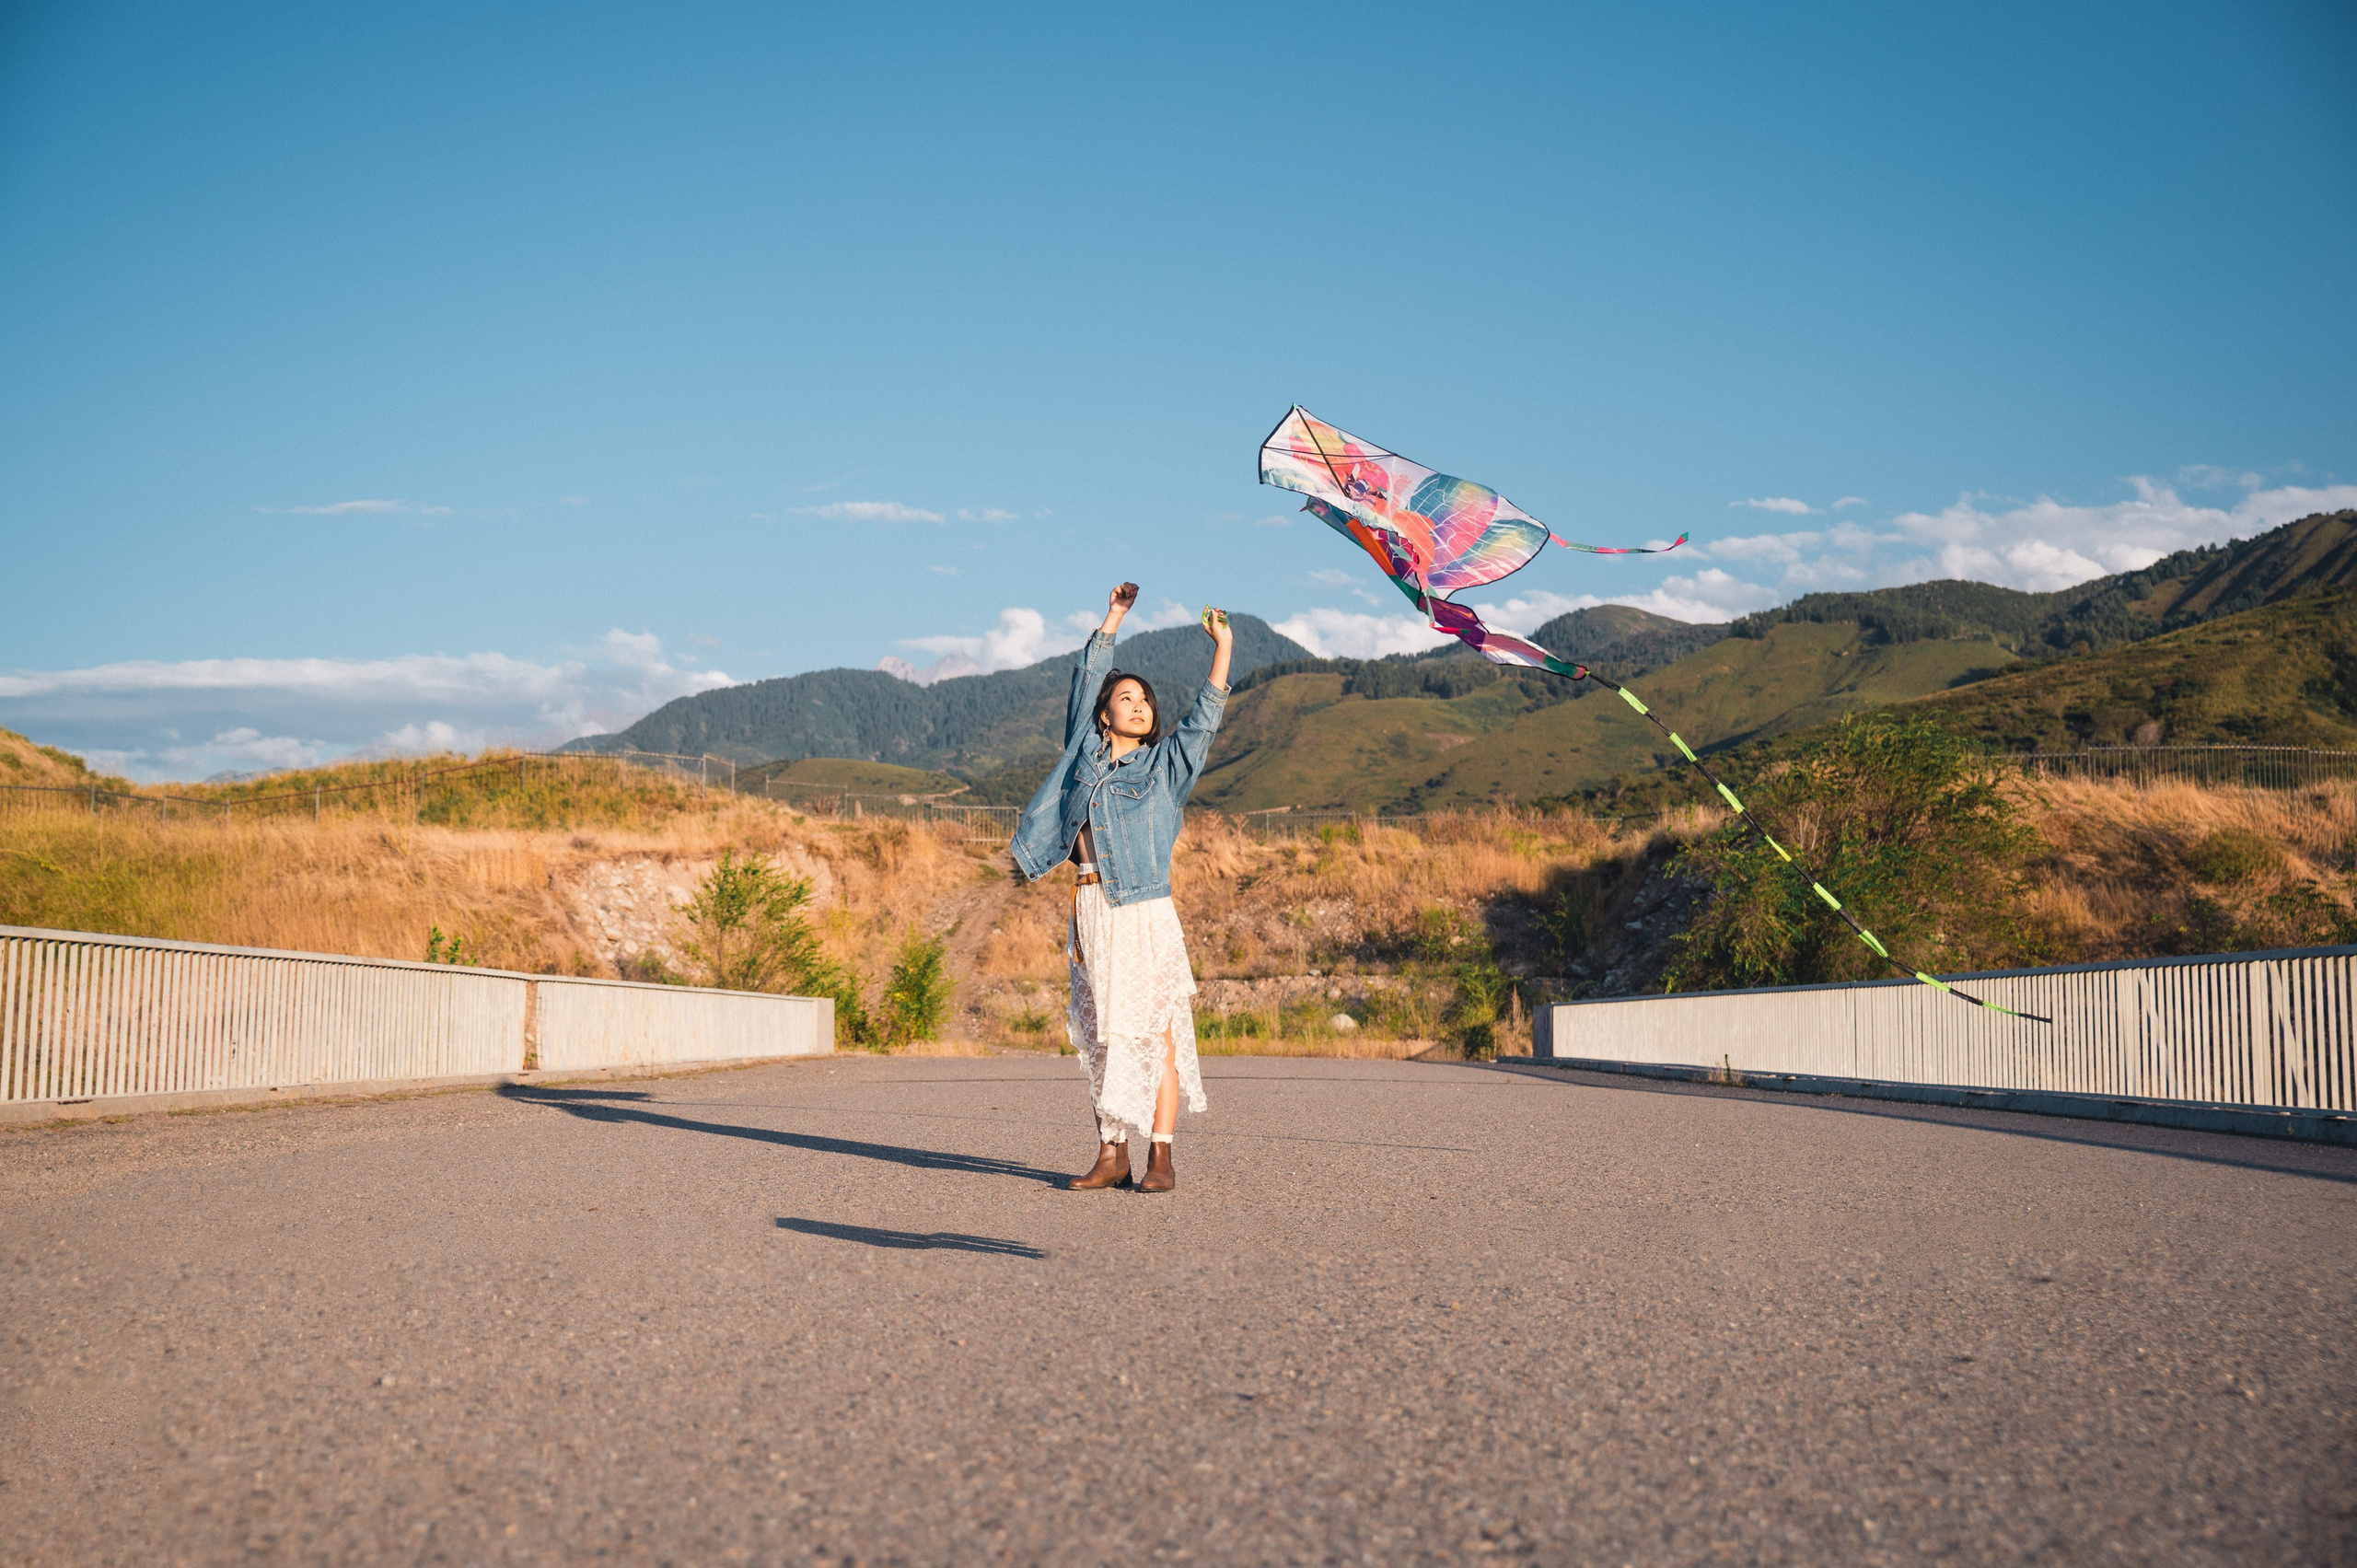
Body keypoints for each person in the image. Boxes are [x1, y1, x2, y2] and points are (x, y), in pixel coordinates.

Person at [1009, 582, 1234, 1194]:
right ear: (1106, 715)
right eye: (1124, 698)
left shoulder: (1164, 768)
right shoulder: (1082, 754)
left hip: (1145, 911)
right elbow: (1087, 681)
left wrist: (1223, 647)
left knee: (1155, 1030)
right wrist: (1113, 618)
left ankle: (1160, 1153)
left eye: (1144, 701)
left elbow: (1205, 717)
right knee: (1104, 1032)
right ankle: (1112, 1152)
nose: (1137, 705)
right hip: (1090, 905)